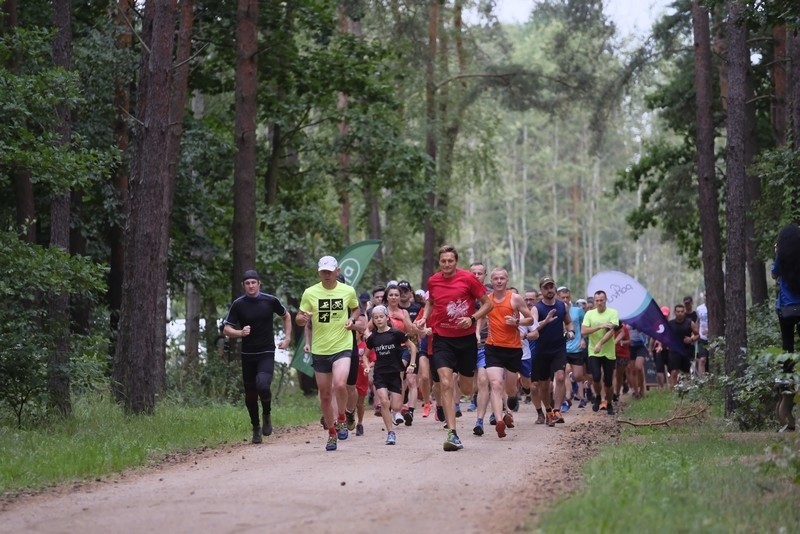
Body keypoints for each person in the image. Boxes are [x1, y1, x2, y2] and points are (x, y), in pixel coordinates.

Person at [415, 245, 492, 451]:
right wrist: (424, 318)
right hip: (442, 339)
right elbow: (431, 302)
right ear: (439, 262)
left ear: (456, 262)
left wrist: (472, 318)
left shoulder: (468, 279)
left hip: (466, 340)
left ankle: (464, 383)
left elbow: (487, 304)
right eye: (443, 261)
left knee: (467, 389)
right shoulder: (433, 280)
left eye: (450, 261)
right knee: (446, 384)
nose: (447, 264)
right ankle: (452, 433)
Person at [296, 256, 361, 451]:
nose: (326, 274)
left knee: (340, 384)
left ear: (337, 271)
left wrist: (352, 319)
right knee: (325, 395)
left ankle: (341, 417)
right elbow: (300, 318)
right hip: (320, 349)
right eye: (323, 271)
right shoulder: (310, 293)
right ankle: (332, 432)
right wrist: (302, 318)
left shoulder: (348, 290)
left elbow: (356, 309)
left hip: (342, 345)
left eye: (330, 271)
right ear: (319, 272)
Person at [223, 270, 292, 444]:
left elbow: (286, 316)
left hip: (266, 352)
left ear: (259, 284)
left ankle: (267, 414)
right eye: (247, 283)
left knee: (262, 384)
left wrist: (287, 337)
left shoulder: (270, 301)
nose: (251, 286)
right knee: (250, 395)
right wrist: (240, 332)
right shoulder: (238, 304)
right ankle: (256, 427)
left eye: (254, 282)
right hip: (247, 354)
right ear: (243, 286)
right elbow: (226, 329)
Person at [478, 267, 534, 438]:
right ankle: (499, 419)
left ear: (507, 281)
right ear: (492, 281)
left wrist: (517, 321)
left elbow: (530, 318)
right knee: (495, 384)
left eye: (502, 278)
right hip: (493, 347)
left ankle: (509, 404)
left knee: (509, 389)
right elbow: (480, 316)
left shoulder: (515, 298)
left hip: (513, 349)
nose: (499, 281)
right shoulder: (487, 300)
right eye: (496, 279)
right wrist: (476, 333)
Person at [364, 306, 417, 445]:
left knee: (396, 406)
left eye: (381, 316)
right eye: (376, 318)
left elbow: (412, 347)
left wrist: (412, 364)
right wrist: (367, 367)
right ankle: (390, 433)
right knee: (384, 402)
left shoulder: (396, 333)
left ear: (387, 317)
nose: (379, 319)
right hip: (380, 373)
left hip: (395, 373)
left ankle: (395, 413)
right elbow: (365, 355)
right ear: (373, 321)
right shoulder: (373, 337)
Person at [533, 276, 575, 426]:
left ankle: (557, 410)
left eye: (551, 287)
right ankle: (549, 411)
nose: (549, 290)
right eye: (546, 287)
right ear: (541, 290)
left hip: (559, 348)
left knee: (560, 376)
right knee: (544, 385)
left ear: (555, 288)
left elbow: (568, 322)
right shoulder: (537, 308)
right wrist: (545, 321)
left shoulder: (562, 306)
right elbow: (533, 328)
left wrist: (571, 332)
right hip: (542, 350)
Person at [772, 224, 800, 432]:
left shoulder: (782, 260)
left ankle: (788, 375)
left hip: (786, 309)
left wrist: (776, 253)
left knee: (787, 346)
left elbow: (774, 274)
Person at [581, 290, 619, 415]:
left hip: (608, 352)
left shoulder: (613, 313)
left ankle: (609, 403)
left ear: (605, 300)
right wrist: (600, 326)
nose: (599, 302)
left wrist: (600, 343)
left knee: (608, 381)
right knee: (596, 377)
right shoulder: (590, 314)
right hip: (593, 351)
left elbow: (611, 331)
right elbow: (584, 331)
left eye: (601, 300)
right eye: (597, 300)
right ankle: (597, 396)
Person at [667, 304, 698, 387]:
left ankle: (687, 391)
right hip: (674, 350)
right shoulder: (670, 324)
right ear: (675, 312)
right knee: (674, 372)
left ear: (684, 312)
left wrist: (691, 339)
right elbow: (665, 336)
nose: (680, 313)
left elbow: (698, 335)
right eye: (678, 311)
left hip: (686, 350)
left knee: (686, 373)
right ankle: (673, 392)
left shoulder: (690, 323)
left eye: (681, 311)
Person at [695, 294, 710, 376]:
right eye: (705, 296)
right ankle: (702, 381)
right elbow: (698, 321)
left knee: (712, 361)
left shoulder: (716, 306)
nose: (706, 297)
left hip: (713, 338)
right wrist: (696, 333)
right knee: (702, 359)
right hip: (702, 338)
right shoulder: (699, 308)